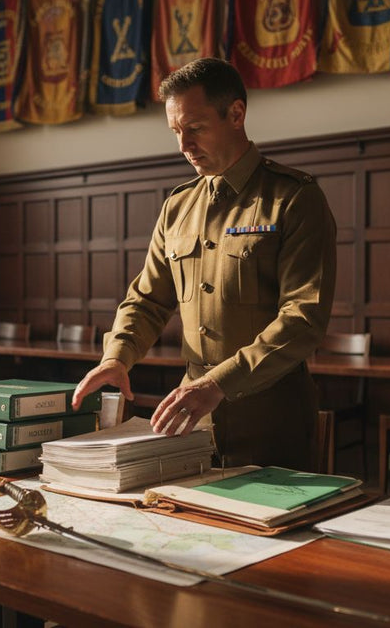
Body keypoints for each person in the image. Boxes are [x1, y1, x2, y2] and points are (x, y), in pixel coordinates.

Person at [71, 57, 336, 470]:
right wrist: (116, 357)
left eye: (194, 128)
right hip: (190, 419)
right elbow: (147, 300)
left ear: (236, 114)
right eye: (176, 131)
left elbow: (303, 318)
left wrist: (219, 382)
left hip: (271, 418)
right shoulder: (178, 206)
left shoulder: (294, 199)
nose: (183, 145)